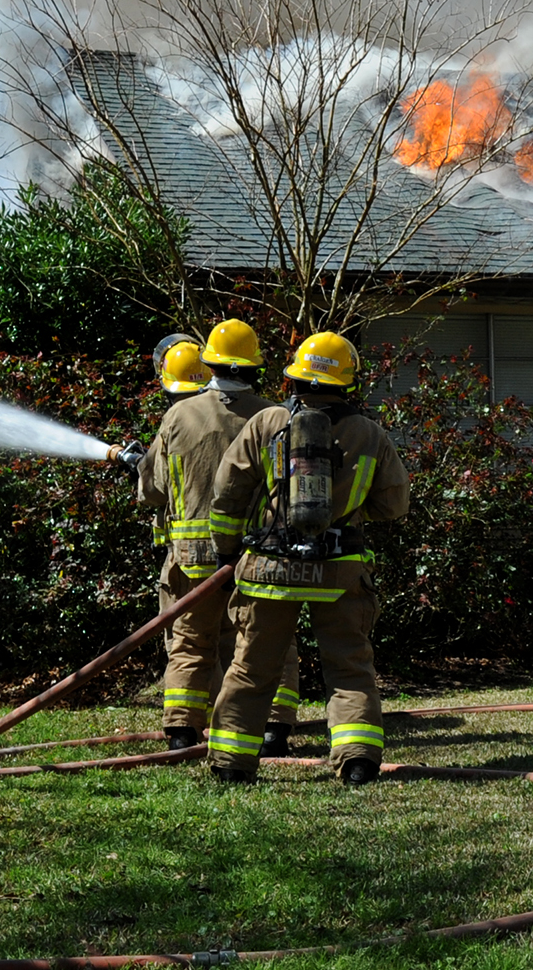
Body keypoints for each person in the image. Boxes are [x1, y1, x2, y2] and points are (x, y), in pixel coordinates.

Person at [204, 332, 409, 785]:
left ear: (295, 377)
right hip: (339, 570)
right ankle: (357, 760)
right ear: (347, 383)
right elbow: (393, 506)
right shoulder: (369, 435)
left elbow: (227, 493)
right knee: (349, 664)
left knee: (252, 666)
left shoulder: (266, 422)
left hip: (270, 569)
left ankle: (231, 763)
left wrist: (226, 553)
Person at [137, 320, 303, 754]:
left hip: (192, 557)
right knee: (268, 643)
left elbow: (152, 490)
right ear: (255, 367)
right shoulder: (276, 417)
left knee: (191, 642)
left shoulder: (178, 415)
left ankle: (181, 732)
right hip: (259, 556)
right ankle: (273, 730)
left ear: (208, 362)